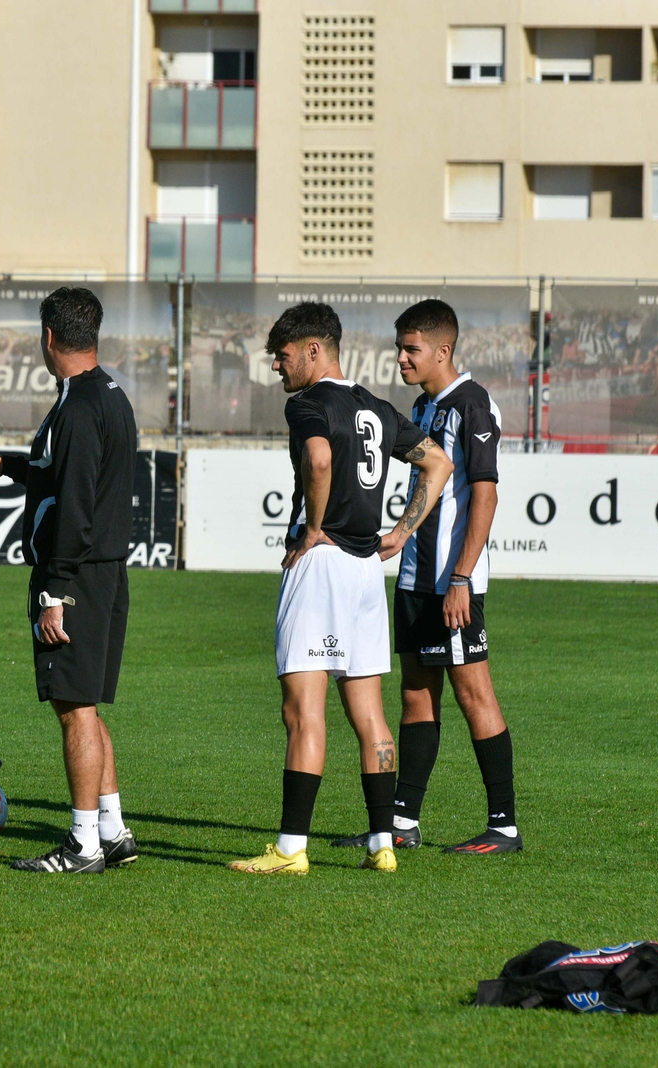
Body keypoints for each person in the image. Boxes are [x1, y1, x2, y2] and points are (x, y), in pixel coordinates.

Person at [229, 302, 452, 877]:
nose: (278, 369)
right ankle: (383, 843)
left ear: (313, 351)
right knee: (369, 713)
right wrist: (401, 533)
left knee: (303, 711)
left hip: (323, 563)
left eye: (282, 357)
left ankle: (290, 849)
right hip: (363, 573)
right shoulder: (377, 406)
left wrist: (312, 528)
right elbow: (439, 464)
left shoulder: (307, 403)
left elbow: (320, 460)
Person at [334, 298, 522, 856]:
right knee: (416, 696)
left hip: (452, 583)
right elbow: (429, 483)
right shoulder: (421, 407)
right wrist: (401, 533)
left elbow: (484, 493)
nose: (401, 358)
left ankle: (504, 825)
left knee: (473, 693)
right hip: (416, 580)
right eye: (399, 347)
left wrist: (462, 575)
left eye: (411, 348)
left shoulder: (473, 402)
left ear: (444, 350)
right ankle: (402, 822)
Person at [0, 288, 139, 875]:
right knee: (83, 705)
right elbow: (62, 472)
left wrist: (56, 592)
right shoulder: (105, 394)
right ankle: (113, 833)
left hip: (78, 577)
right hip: (101, 572)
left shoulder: (78, 407)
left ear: (47, 339)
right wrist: (6, 463)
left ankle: (82, 844)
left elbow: (75, 505)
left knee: (74, 712)